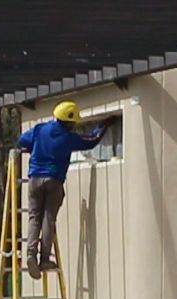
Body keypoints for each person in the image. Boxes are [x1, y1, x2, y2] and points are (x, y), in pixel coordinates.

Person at [17, 100, 115, 279]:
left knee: (34, 218)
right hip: (54, 180)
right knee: (48, 219)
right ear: (68, 121)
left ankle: (31, 253)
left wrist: (34, 148)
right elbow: (91, 140)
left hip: (34, 179)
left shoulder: (39, 129)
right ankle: (44, 259)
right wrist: (104, 125)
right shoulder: (68, 137)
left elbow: (22, 139)